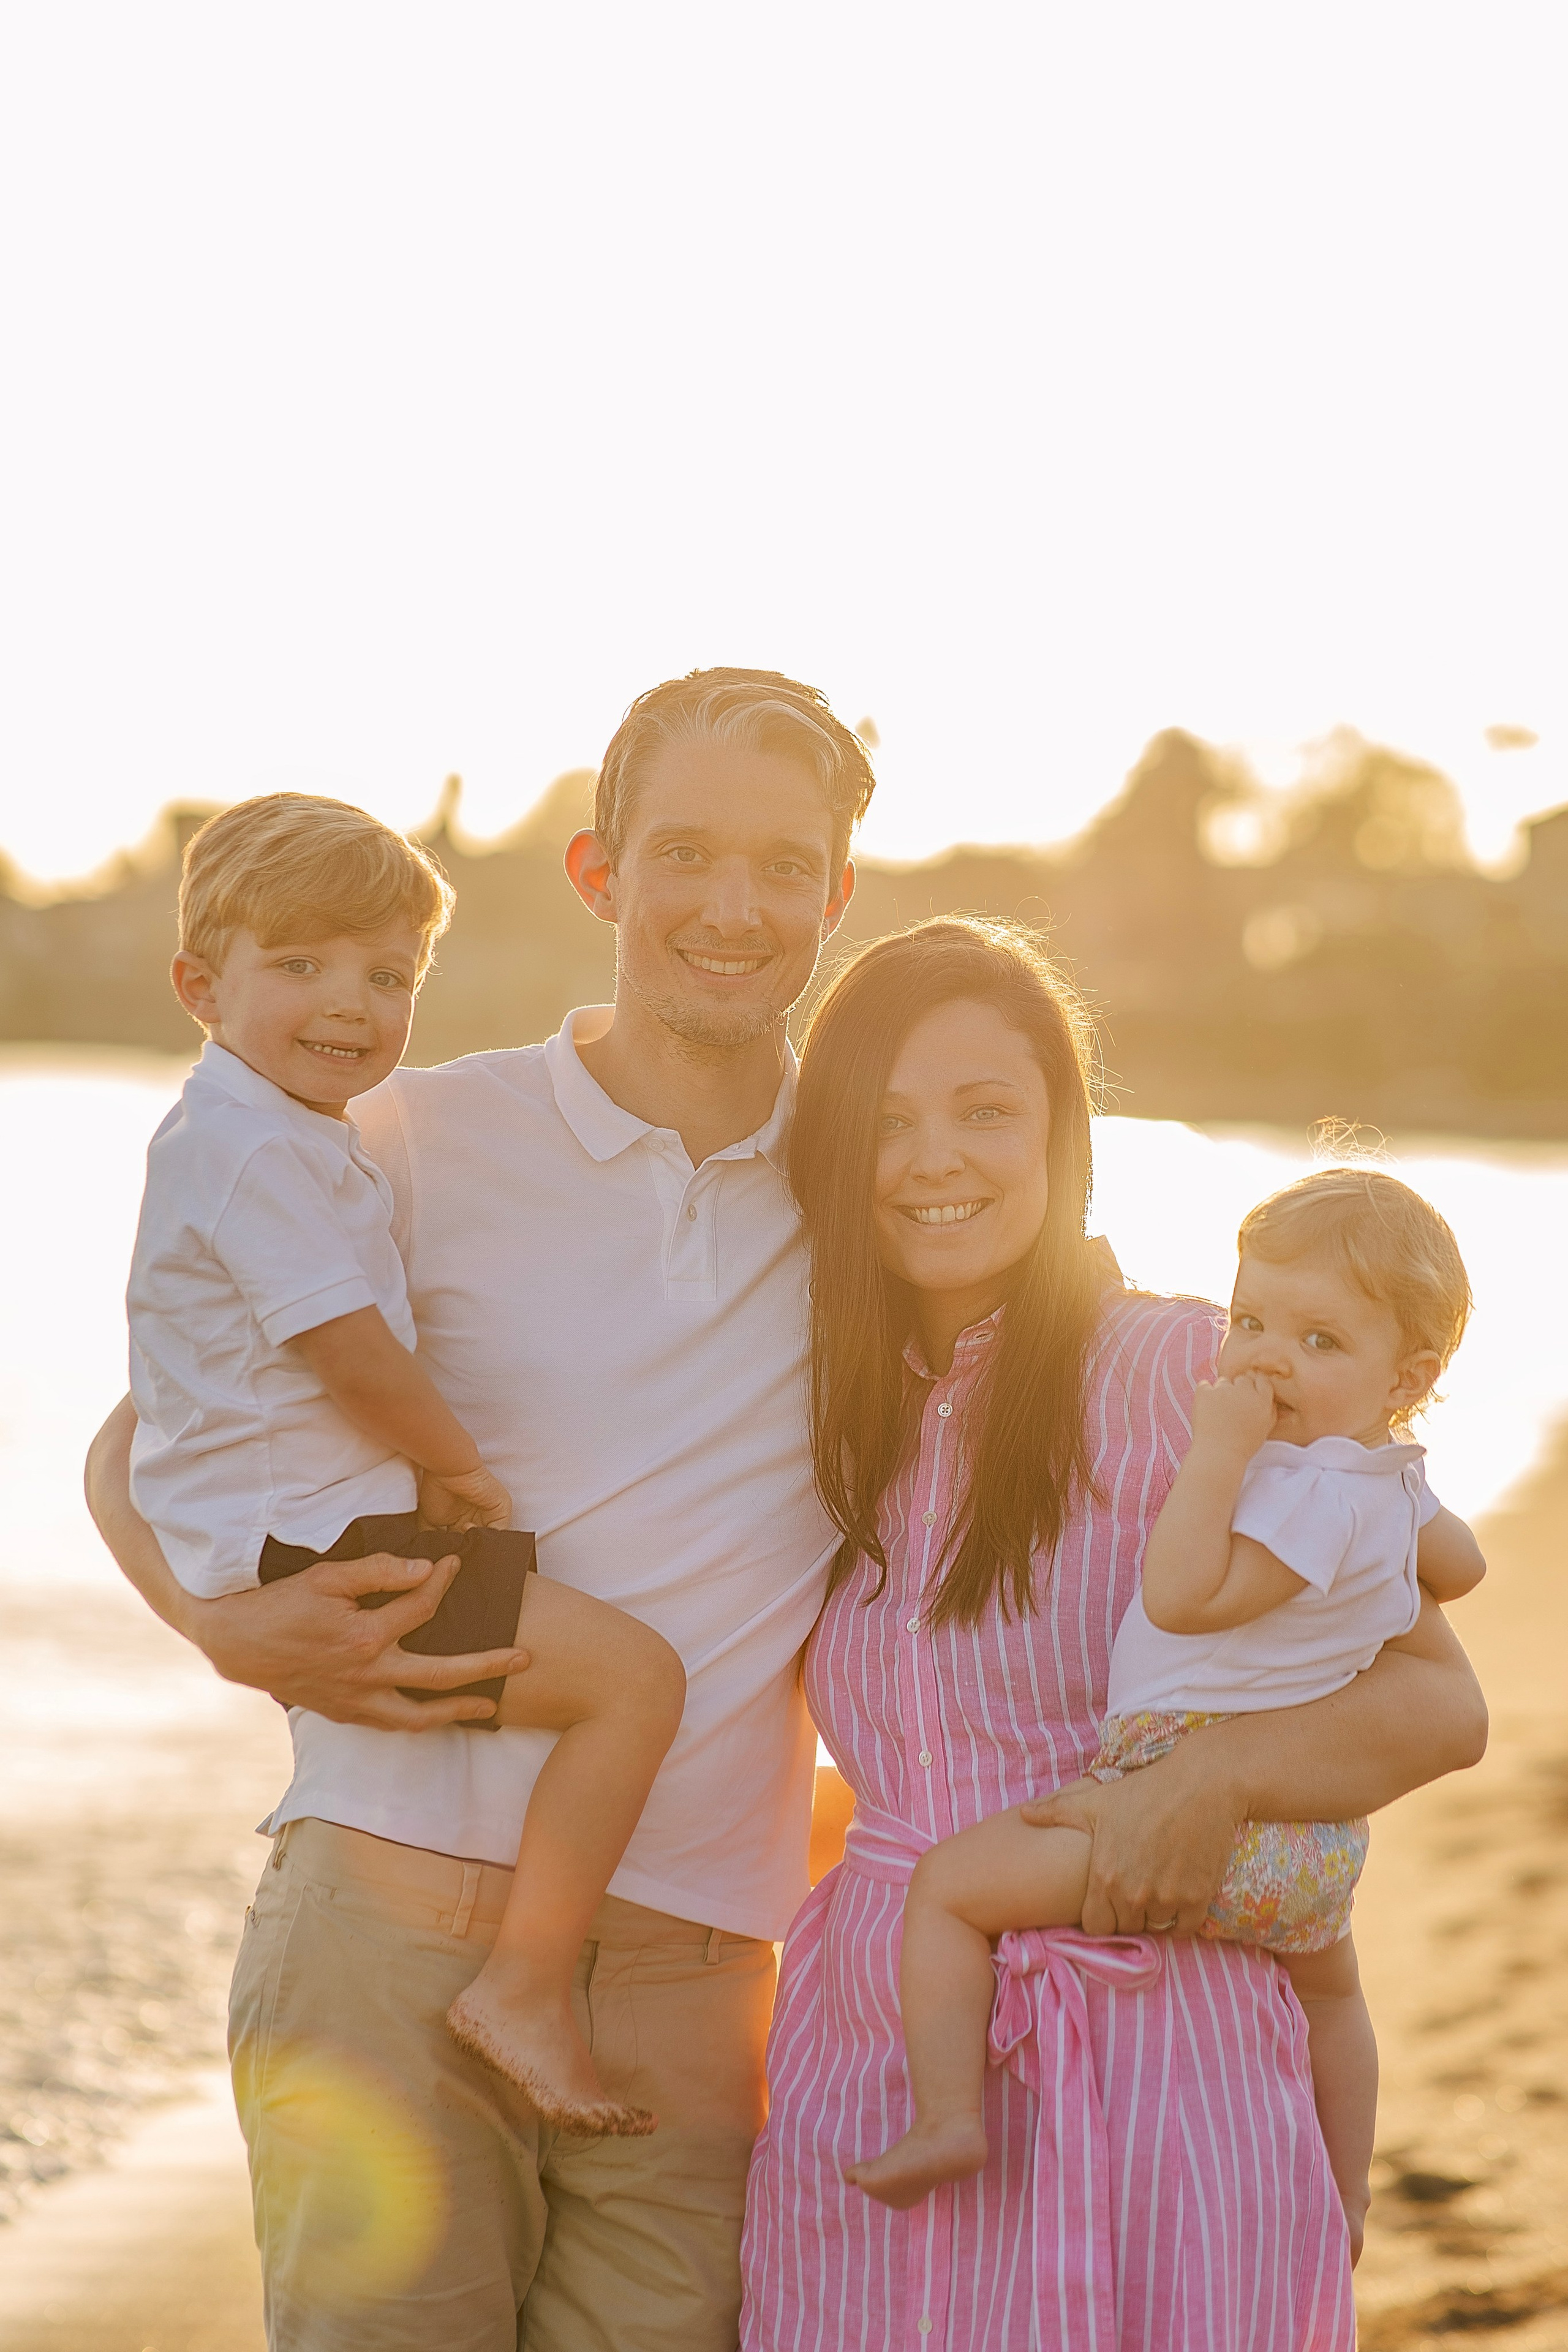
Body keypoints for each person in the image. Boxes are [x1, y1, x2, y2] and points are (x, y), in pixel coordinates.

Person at [85, 667, 873, 2351]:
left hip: (694, 1960)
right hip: (387, 1917)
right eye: (685, 854)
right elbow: (143, 1430)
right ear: (599, 873)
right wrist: (219, 1624)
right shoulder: (407, 1134)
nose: (732, 908)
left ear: (836, 896)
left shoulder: (879, 1190)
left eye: (783, 865)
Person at [741, 918, 1489, 2352]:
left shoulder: (1196, 1376)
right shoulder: (818, 1400)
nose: (933, 1159)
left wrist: (1206, 1779)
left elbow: (1439, 1708)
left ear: (1059, 1134)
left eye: (984, 1110)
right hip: (876, 2057)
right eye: (886, 1121)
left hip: (1159, 2060)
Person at [128, 790, 687, 2136]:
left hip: (301, 1537)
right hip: (327, 1554)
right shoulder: (252, 1151)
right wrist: (461, 1471)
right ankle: (529, 1987)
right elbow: (349, 1352)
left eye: (387, 976)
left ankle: (521, 1972)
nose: (350, 1003)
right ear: (201, 987)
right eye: (301, 964)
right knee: (634, 1683)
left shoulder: (270, 1133)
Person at [842, 1165, 1487, 2262]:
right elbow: (1462, 1566)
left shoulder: (1303, 1494)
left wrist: (1221, 1453)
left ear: (1409, 1374)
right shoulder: (1390, 1482)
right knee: (1333, 2001)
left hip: (1174, 1791)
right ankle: (1344, 2198)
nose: (1266, 1359)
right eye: (1251, 1321)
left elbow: (1186, 1597)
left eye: (1320, 1341)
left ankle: (948, 2116)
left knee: (950, 1889)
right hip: (1314, 1845)